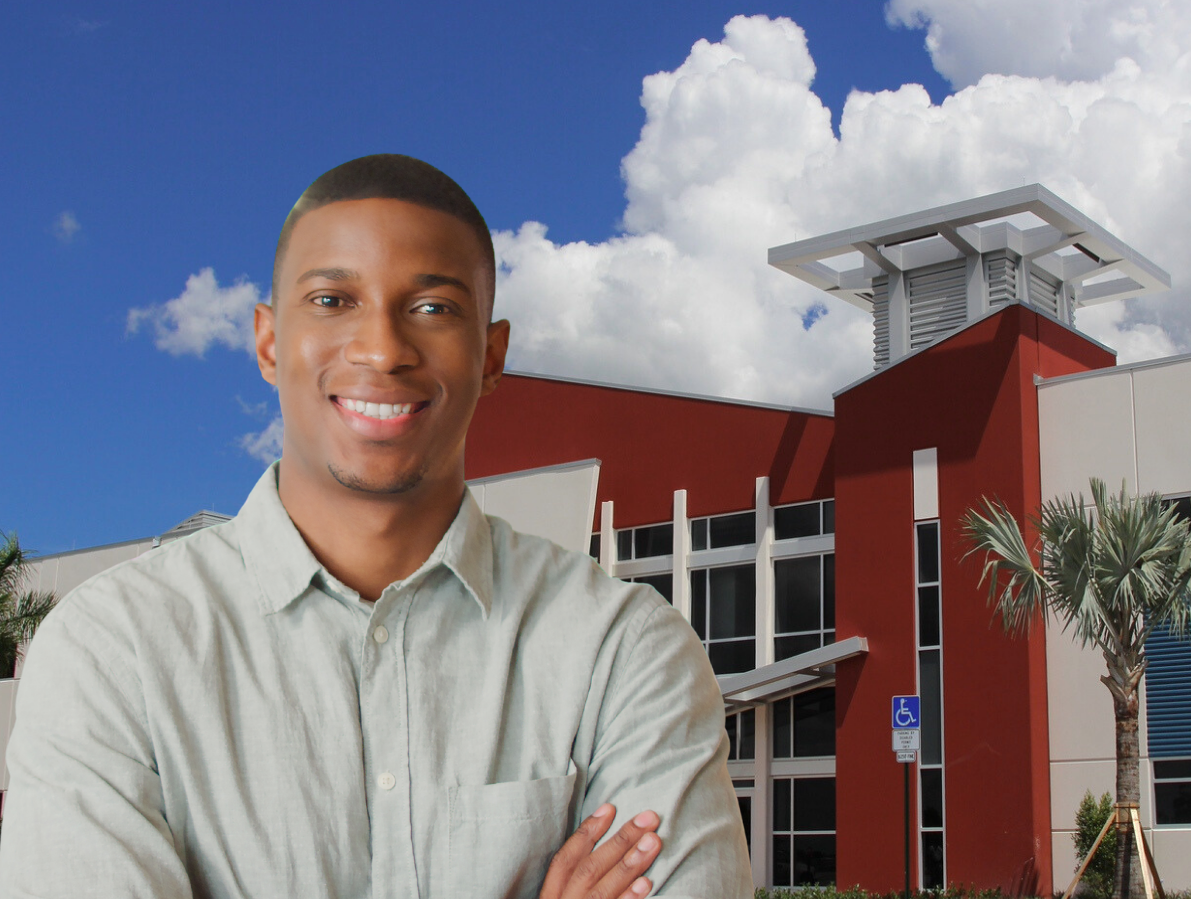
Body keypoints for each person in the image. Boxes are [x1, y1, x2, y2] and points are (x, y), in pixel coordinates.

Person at [0, 155, 753, 898]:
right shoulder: (110, 652)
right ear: (268, 341)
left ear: (492, 356)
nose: (384, 350)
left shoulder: (624, 652)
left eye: (433, 308)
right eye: (333, 300)